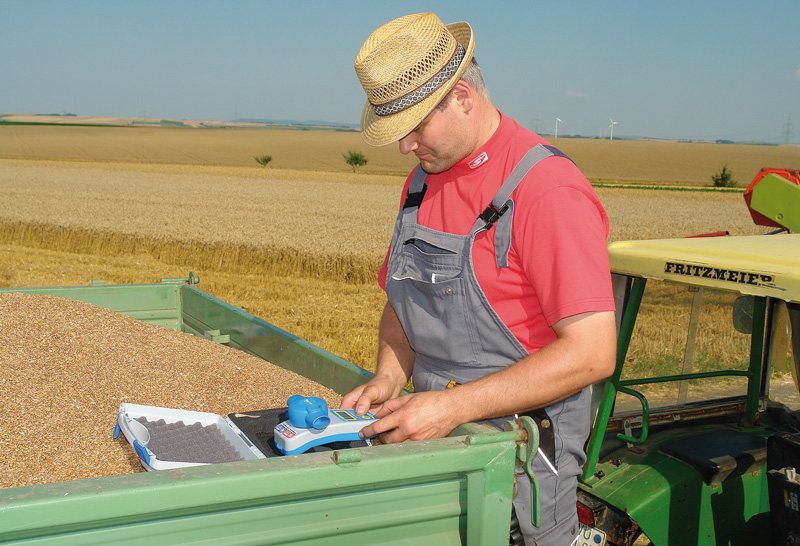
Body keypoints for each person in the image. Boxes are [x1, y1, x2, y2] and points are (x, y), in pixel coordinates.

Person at [342, 12, 617, 546]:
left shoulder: (546, 191)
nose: (406, 147)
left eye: (415, 126)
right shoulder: (422, 183)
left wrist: (453, 407)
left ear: (463, 96)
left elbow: (592, 353)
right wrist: (389, 375)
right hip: (436, 439)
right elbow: (405, 296)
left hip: (519, 458)